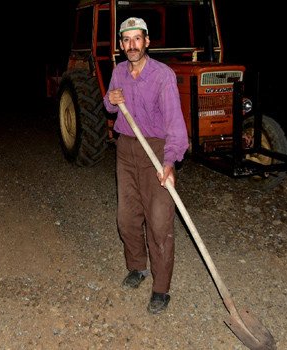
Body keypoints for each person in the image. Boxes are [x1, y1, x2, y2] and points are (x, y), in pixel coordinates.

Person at [104, 17, 189, 314]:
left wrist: (169, 162)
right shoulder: (118, 72)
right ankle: (137, 267)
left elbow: (176, 125)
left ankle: (161, 289)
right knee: (126, 218)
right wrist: (111, 99)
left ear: (147, 42)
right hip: (126, 151)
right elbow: (109, 105)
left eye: (137, 39)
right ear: (121, 45)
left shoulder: (162, 76)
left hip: (156, 150)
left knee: (159, 223)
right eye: (126, 40)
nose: (132, 45)